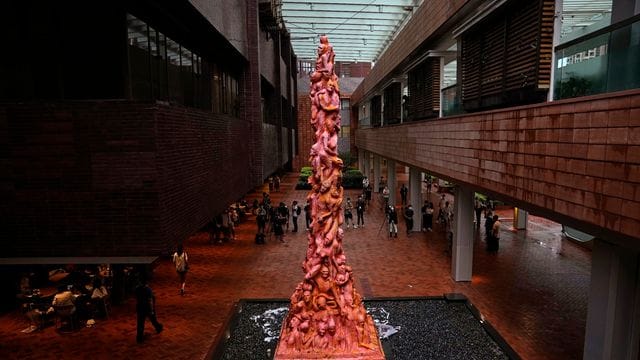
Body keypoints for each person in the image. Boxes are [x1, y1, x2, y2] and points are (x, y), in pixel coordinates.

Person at [135, 274, 163, 343]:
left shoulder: (137, 289)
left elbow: (136, 297)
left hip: (140, 307)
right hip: (147, 308)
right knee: (153, 319)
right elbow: (150, 301)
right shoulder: (148, 290)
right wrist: (152, 310)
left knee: (140, 322)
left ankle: (139, 337)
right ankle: (158, 327)